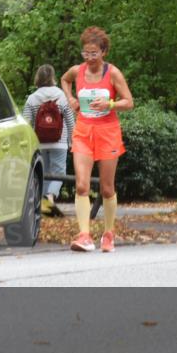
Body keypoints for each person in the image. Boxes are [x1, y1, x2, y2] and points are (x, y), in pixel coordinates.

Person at [61, 26, 134, 252]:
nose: (89, 58)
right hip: (83, 130)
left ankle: (108, 234)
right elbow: (64, 80)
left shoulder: (113, 73)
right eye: (86, 53)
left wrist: (110, 104)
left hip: (108, 132)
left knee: (106, 188)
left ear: (103, 52)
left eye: (94, 53)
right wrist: (70, 98)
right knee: (82, 185)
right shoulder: (77, 70)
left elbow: (129, 102)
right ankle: (84, 235)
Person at [23, 65, 75, 215]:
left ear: (38, 78)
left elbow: (26, 122)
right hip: (59, 143)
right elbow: (70, 120)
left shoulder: (32, 98)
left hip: (40, 143)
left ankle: (44, 204)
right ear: (52, 77)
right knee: (59, 172)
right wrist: (73, 140)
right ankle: (49, 198)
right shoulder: (61, 95)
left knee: (44, 173)